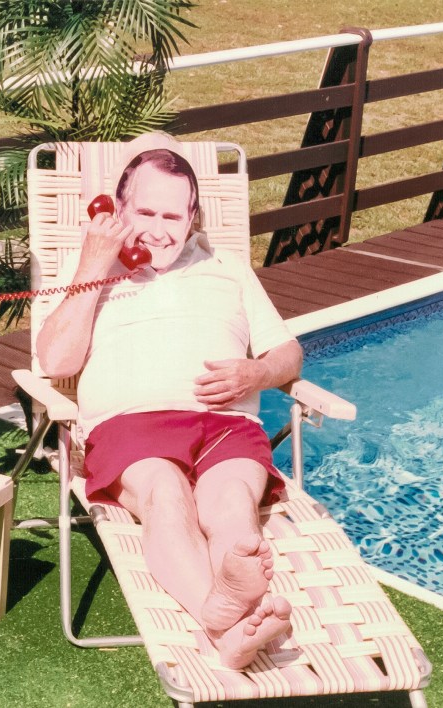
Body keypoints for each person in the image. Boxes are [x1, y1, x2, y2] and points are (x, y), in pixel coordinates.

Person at [36, 134, 303, 669]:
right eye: (146, 212)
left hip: (226, 424)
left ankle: (229, 618)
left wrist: (256, 371)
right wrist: (95, 265)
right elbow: (55, 361)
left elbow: (289, 354)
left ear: (193, 218)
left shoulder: (227, 266)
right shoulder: (87, 269)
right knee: (165, 493)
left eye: (174, 217)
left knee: (232, 502)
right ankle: (220, 614)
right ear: (118, 208)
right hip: (133, 425)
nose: (159, 231)